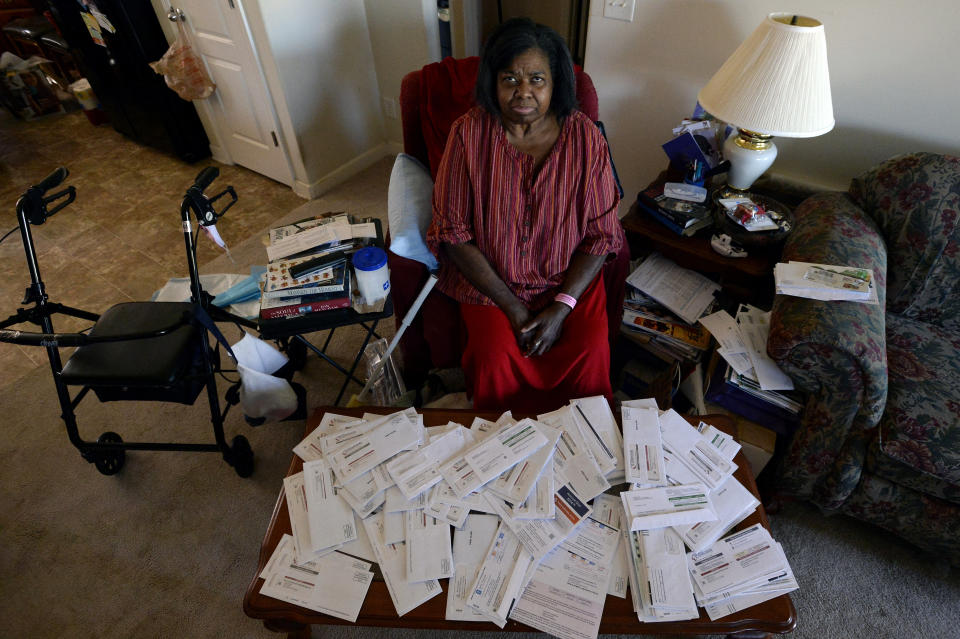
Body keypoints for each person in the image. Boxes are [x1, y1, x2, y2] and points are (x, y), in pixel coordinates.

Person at [426, 17, 622, 413]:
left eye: (537, 78)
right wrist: (513, 308)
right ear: (493, 83)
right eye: (510, 79)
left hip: (568, 287)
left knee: (588, 358)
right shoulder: (467, 134)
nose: (524, 92)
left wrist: (562, 304)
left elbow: (602, 236)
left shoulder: (586, 138)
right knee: (495, 361)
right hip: (492, 289)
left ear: (556, 85)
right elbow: (453, 232)